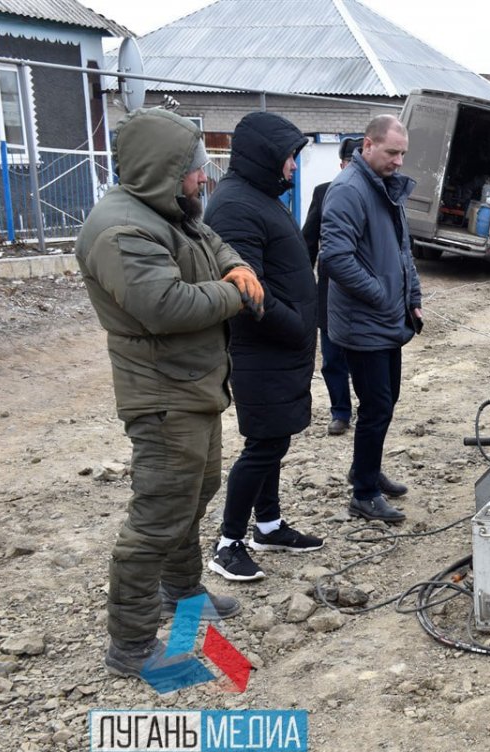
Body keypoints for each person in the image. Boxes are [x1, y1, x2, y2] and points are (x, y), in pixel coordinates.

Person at [76, 108, 262, 679]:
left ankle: (181, 594)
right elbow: (165, 306)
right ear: (164, 169)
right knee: (157, 517)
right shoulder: (121, 229)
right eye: (196, 168)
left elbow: (216, 244)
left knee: (195, 490)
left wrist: (235, 269)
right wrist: (235, 295)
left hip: (193, 386)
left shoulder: (172, 212)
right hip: (161, 395)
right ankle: (131, 645)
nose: (203, 178)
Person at [203, 111, 324, 582]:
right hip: (264, 350)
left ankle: (268, 525)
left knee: (275, 440)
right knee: (263, 445)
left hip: (282, 349)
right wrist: (294, 323)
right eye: (290, 157)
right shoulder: (235, 206)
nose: (294, 167)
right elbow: (245, 288)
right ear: (267, 157)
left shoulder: (260, 197)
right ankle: (228, 544)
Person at [319, 115, 421, 523]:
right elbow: (336, 258)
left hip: (387, 319)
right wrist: (381, 294)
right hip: (363, 323)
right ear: (368, 145)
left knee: (386, 400)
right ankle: (362, 493)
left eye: (403, 154)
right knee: (377, 405)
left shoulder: (383, 187)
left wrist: (411, 295)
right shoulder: (349, 190)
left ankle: (367, 468)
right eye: (392, 152)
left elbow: (401, 250)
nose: (399, 161)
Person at [303, 136, 362, 437]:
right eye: (351, 162)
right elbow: (308, 243)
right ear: (342, 164)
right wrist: (303, 288)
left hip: (367, 291)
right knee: (333, 358)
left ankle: (369, 408)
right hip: (330, 290)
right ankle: (341, 411)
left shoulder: (380, 195)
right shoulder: (324, 193)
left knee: (366, 355)